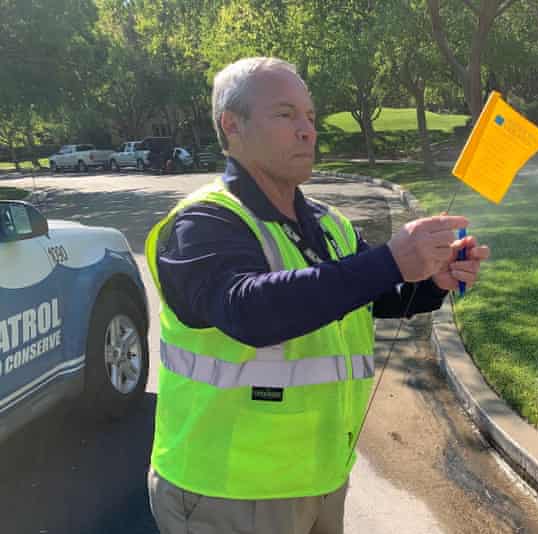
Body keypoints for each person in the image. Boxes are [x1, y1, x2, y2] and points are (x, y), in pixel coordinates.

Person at [144, 56, 489, 534]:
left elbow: (373, 294)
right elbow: (250, 311)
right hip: (227, 493)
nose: (307, 130)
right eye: (286, 115)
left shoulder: (328, 223)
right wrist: (390, 259)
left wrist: (432, 279)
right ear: (233, 125)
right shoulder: (201, 223)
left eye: (310, 116)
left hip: (321, 479)